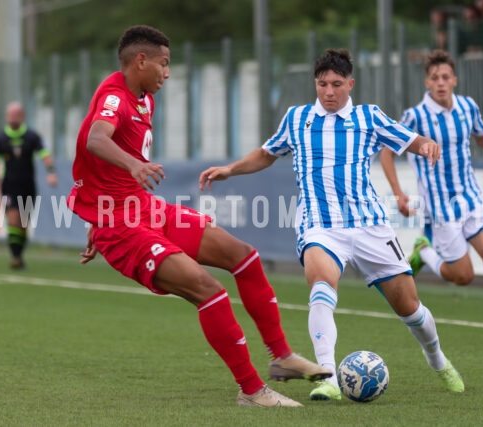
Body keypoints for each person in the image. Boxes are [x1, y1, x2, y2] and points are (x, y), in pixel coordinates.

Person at [68, 25, 331, 408]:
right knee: (208, 290)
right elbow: (96, 138)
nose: (168, 73)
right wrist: (129, 174)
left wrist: (98, 208)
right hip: (122, 227)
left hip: (142, 209)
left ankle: (283, 357)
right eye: (164, 63)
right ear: (141, 61)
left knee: (243, 256)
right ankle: (252, 391)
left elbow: (98, 168)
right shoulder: (114, 96)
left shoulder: (143, 97)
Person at [199, 48, 465, 401]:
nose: (328, 92)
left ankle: (438, 360)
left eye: (336, 84)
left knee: (411, 309)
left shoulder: (369, 117)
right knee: (322, 287)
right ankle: (329, 376)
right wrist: (230, 169)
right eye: (322, 84)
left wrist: (427, 144)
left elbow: (410, 140)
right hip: (320, 226)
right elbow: (267, 153)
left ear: (350, 84)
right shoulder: (297, 119)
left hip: (370, 226)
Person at [379, 49, 483, 347]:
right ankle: (424, 251)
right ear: (427, 82)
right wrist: (399, 193)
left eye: (445, 77)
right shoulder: (416, 115)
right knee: (462, 276)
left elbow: (482, 137)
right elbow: (387, 151)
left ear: (455, 80)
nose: (440, 82)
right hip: (440, 209)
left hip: (471, 198)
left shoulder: (467, 107)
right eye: (435, 77)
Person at [0, 102, 58, 269]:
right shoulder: (1, 138)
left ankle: (19, 255)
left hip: (27, 186)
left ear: (22, 116)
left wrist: (51, 172)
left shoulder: (32, 136)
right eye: (10, 115)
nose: (12, 118)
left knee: (23, 223)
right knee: (13, 219)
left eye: (16, 115)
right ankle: (15, 256)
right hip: (9, 185)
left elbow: (45, 155)